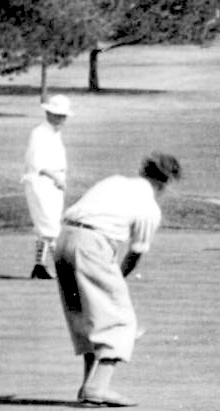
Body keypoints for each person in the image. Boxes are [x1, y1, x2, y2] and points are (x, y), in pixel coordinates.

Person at [54, 152, 182, 407]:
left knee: (87, 316)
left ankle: (88, 384)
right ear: (165, 182)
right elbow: (134, 255)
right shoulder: (149, 208)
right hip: (93, 247)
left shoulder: (113, 182)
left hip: (63, 240)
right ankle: (97, 387)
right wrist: (116, 280)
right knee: (120, 321)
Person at [23, 94, 72, 280]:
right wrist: (55, 178)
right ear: (48, 113)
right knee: (50, 226)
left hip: (53, 183)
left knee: (49, 225)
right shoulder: (39, 133)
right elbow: (37, 164)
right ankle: (63, 269)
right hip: (41, 182)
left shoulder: (54, 133)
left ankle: (39, 265)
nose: (61, 119)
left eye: (63, 116)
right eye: (58, 115)